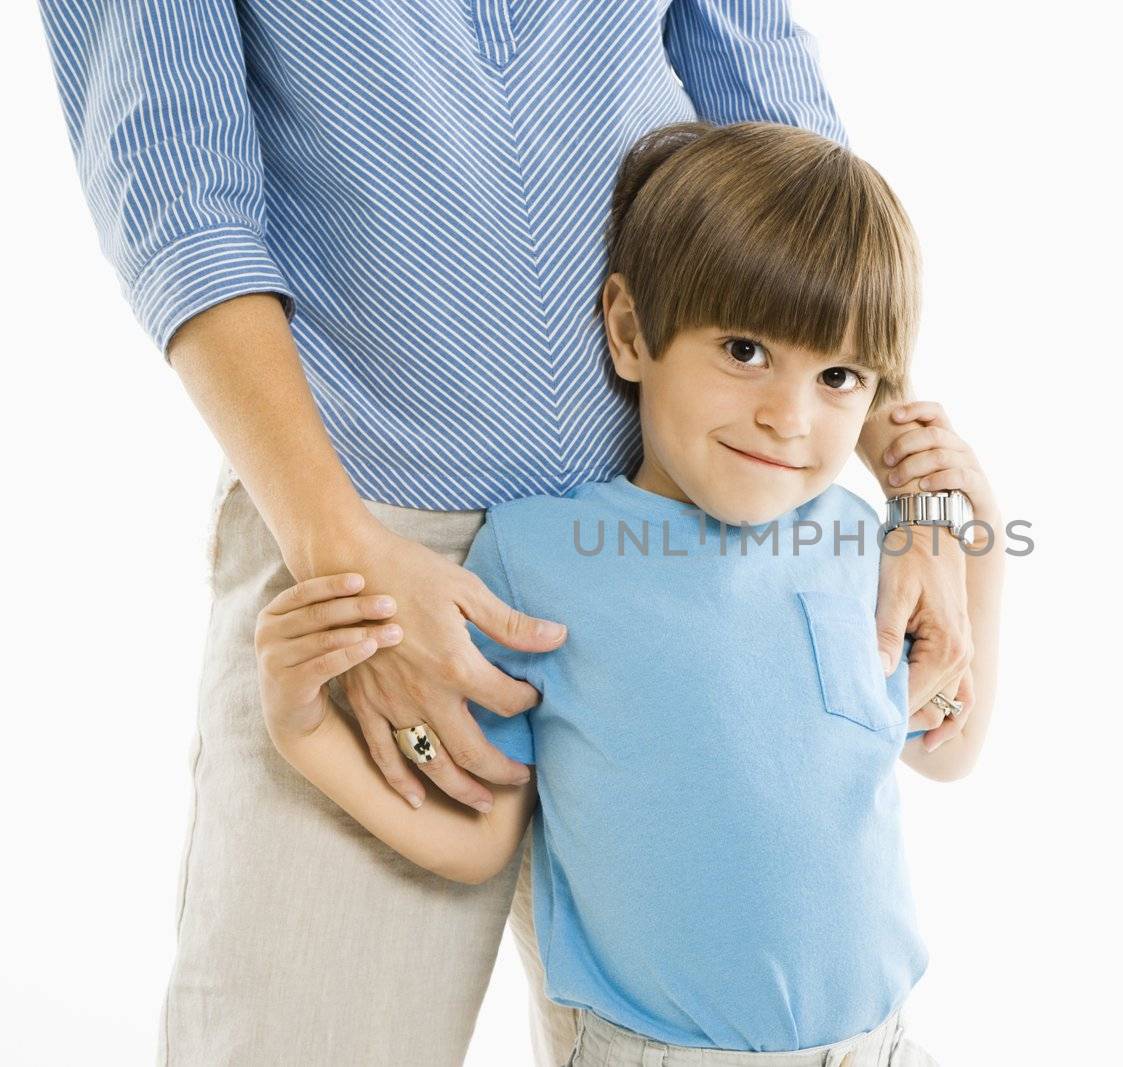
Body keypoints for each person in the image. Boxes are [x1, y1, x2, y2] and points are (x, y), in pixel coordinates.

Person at [38, 2, 975, 1063]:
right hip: (370, 539)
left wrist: (917, 482)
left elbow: (771, 110)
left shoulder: (822, 526)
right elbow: (177, 191)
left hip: (698, 514)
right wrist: (337, 548)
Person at [254, 120, 1004, 1066]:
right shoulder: (537, 555)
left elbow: (949, 747)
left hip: (883, 1045)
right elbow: (481, 839)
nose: (788, 415)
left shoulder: (861, 542)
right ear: (629, 331)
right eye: (742, 350)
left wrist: (981, 543)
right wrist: (303, 731)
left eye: (839, 375)